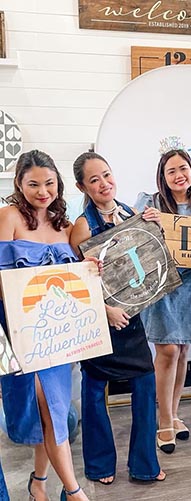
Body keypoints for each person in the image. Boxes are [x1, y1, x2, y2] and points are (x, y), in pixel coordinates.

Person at [70, 151, 166, 485]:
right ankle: (99, 466)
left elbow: (149, 261)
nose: (103, 183)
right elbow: (77, 282)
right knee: (95, 392)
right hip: (100, 322)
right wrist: (106, 310)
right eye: (94, 179)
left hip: (131, 321)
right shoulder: (82, 226)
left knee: (145, 384)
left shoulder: (131, 214)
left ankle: (144, 464)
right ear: (82, 187)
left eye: (107, 175)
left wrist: (155, 226)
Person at [0, 150, 89, 501]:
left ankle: (39, 481)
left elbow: (79, 281)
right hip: (22, 334)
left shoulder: (66, 227)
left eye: (49, 183)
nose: (42, 191)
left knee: (52, 412)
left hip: (59, 336)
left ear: (59, 184)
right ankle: (74, 492)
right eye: (33, 184)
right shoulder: (8, 217)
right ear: (19, 184)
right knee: (49, 408)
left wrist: (91, 268)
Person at [135, 141, 191, 454]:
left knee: (182, 351)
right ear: (163, 177)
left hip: (190, 285)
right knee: (166, 350)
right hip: (160, 285)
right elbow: (135, 239)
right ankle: (164, 419)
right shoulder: (150, 202)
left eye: (184, 168)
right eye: (171, 171)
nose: (179, 175)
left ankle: (174, 412)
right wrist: (149, 220)